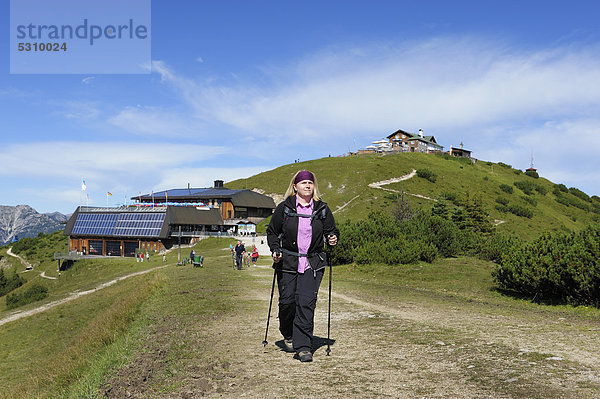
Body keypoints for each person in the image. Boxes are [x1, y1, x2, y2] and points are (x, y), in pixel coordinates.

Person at [266, 170, 339, 363]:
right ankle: (287, 333)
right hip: (288, 262)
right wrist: (275, 249)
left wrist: (333, 238)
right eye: (304, 182)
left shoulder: (322, 209)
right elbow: (272, 232)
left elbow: (332, 230)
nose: (308, 185)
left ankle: (304, 346)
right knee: (287, 302)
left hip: (313, 263)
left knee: (306, 303)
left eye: (310, 182)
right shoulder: (285, 208)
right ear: (295, 186)